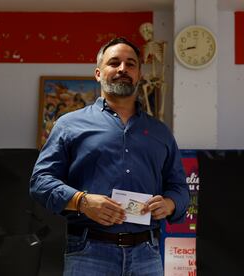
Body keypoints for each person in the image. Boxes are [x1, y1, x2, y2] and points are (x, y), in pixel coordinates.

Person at [30, 37, 190, 276]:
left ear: (139, 74)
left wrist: (170, 204)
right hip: (89, 253)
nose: (123, 69)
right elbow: (40, 181)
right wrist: (82, 201)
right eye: (114, 63)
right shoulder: (69, 125)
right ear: (98, 73)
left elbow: (179, 188)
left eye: (130, 64)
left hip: (148, 254)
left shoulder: (161, 133)